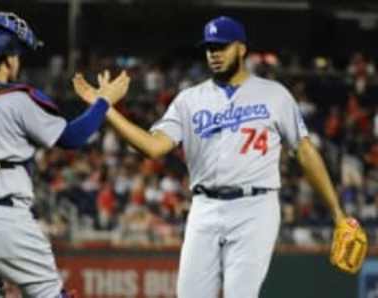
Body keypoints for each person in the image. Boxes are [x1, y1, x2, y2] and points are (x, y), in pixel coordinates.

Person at [73, 16, 360, 298]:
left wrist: (337, 213)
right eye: (210, 47)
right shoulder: (189, 100)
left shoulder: (274, 95)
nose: (214, 53)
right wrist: (105, 109)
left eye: (222, 46)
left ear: (241, 48)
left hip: (255, 208)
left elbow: (305, 152)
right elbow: (152, 146)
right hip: (204, 208)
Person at [0, 12, 129, 297]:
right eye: (18, 56)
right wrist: (104, 102)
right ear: (9, 58)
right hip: (3, 217)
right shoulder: (17, 99)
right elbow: (71, 138)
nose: (19, 62)